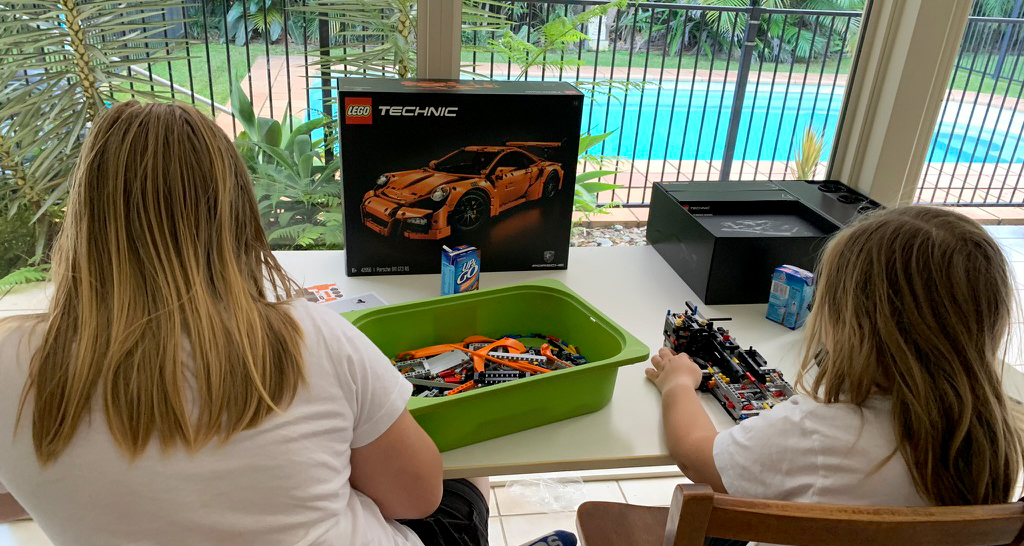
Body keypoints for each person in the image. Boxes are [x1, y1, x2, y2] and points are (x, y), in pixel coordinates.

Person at [0, 101, 488, 546]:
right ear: (234, 210)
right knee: (467, 489)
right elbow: (417, 498)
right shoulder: (310, 335)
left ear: (84, 212)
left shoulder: (9, 359)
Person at [645, 206, 1024, 545]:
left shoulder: (815, 431)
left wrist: (677, 384)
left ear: (846, 324)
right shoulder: (997, 430)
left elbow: (698, 460)